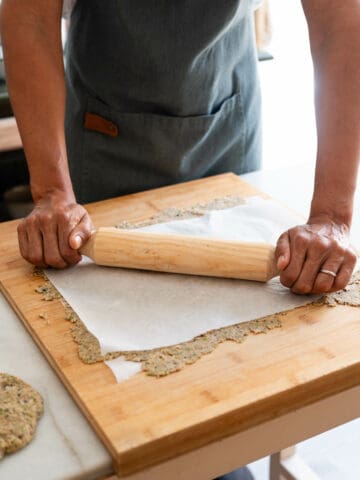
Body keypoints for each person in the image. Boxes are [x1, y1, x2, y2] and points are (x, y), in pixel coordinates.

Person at [0, 3, 359, 477]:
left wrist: (332, 214)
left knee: (235, 372)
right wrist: (50, 192)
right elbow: (27, 15)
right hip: (104, 133)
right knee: (116, 388)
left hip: (222, 116)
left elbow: (342, 22)